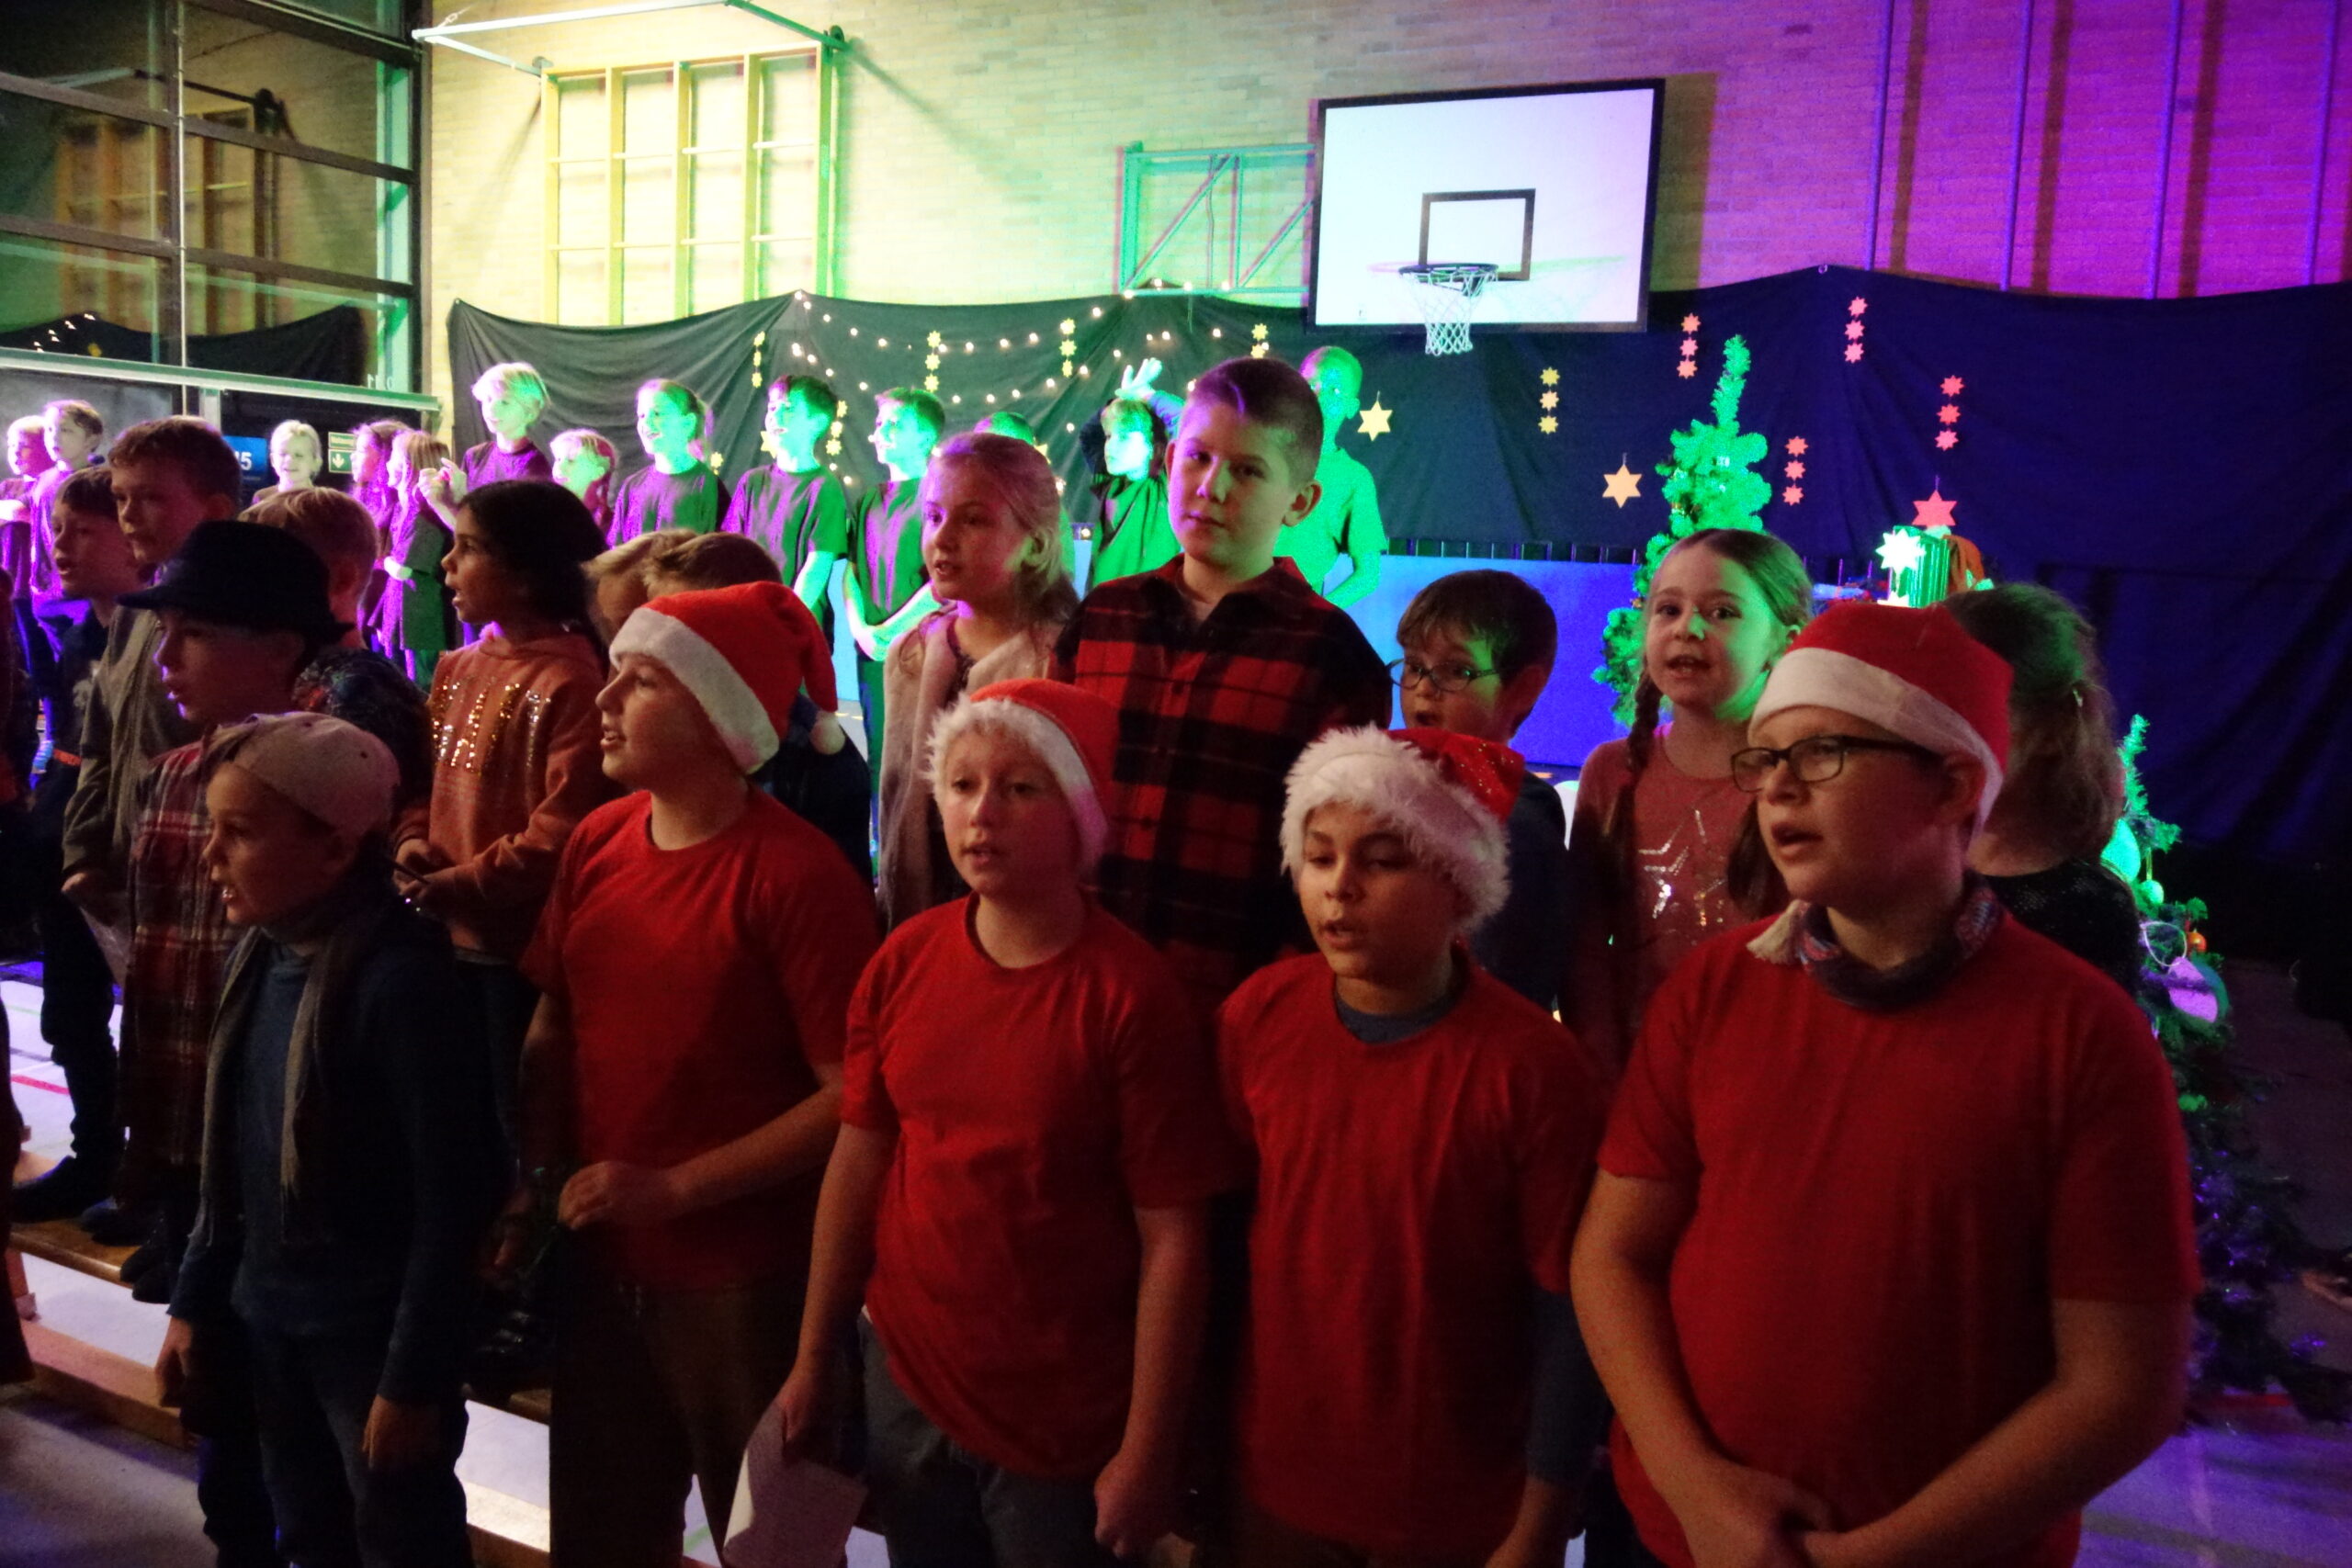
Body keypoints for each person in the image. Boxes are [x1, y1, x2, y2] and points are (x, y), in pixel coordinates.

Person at [1571, 601, 2199, 1568]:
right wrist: (1691, 1483)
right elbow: (1614, 1255)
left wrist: (1875, 1556)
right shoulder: (1718, 989)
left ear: (1952, 784)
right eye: (1767, 756)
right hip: (1687, 1537)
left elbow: (2122, 1386)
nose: (1778, 787)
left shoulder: (2079, 1036)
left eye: (1823, 751)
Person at [778, 679, 1230, 1564]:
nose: (982, 812)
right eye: (962, 784)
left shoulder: (1131, 998)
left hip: (1061, 1414)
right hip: (908, 1373)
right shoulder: (904, 961)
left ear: (1081, 816)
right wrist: (814, 1351)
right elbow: (860, 1160)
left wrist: (1148, 1444)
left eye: (1021, 788)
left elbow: (1175, 1236)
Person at [513, 581, 876, 1567]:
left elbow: (852, 1095)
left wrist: (676, 1188)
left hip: (743, 1282)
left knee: (769, 1546)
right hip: (606, 1260)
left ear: (719, 715)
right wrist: (532, 1170)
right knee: (603, 1532)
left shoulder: (796, 878)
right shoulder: (598, 841)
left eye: (641, 681)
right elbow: (558, 1012)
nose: (605, 699)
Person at [1221, 725, 1608, 1568]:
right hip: (1276, 1476)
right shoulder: (1258, 1016)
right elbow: (1224, 1234)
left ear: (1457, 880)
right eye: (1319, 857)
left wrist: (1544, 1510)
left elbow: (1568, 1307)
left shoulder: (1533, 1068)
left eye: (1383, 859)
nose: (1339, 886)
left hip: (1455, 1502)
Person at [161, 713, 497, 1568]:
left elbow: (453, 1202)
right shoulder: (258, 960)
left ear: (336, 848)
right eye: (213, 828)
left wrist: (414, 1376)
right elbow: (231, 1170)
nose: (211, 856)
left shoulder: (401, 986)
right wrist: (195, 1300)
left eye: (239, 833)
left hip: (366, 1338)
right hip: (270, 1315)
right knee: (310, 1533)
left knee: (400, 1538)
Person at [1053, 355, 1391, 1006]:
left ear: (1300, 501)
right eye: (1198, 458)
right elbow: (1053, 797)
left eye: (1248, 470)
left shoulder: (1332, 659)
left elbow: (1331, 864)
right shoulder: (1102, 620)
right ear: (1170, 459)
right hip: (1080, 982)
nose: (1211, 486)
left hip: (1235, 1000)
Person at [391, 479, 610, 1146]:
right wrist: (411, 842)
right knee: (449, 1122)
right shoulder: (457, 666)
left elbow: (563, 829)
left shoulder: (573, 680)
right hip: (440, 933)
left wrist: (463, 883)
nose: (446, 563)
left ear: (526, 572)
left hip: (515, 953)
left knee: (515, 1119)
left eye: (468, 548)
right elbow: (423, 782)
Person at [59, 417, 234, 1246]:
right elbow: (101, 739)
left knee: (212, 1054)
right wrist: (86, 844)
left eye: (150, 499)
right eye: (122, 498)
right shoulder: (139, 609)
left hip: (210, 867)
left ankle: (204, 1224)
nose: (130, 515)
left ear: (216, 507)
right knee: (153, 1041)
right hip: (138, 862)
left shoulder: (234, 611)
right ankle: (160, 1196)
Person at [1566, 528, 1812, 1066]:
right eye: (1668, 609)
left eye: (1722, 613)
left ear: (1786, 641)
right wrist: (1601, 1069)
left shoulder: (1803, 782)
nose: (1687, 629)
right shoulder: (1613, 772)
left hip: (1762, 1071)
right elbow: (1585, 946)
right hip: (1633, 1073)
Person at [8, 469, 143, 1224]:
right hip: (66, 838)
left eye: (84, 530)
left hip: (130, 849)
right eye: (57, 529)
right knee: (69, 1013)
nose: (61, 545)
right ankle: (96, 1154)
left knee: (151, 1021)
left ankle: (149, 1175)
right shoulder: (81, 636)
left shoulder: (157, 635)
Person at [878, 433, 1078, 928]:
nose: (942, 539)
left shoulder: (1063, 662)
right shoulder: (911, 656)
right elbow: (897, 800)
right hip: (921, 922)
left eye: (973, 520)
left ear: (1034, 544)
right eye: (933, 516)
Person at [595, 529, 873, 878]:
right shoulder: (657, 746)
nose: (656, 634)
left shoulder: (813, 761)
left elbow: (831, 888)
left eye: (686, 624)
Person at [1943, 584, 2143, 995]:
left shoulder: (2087, 913)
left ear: (2052, 728)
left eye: (1969, 710)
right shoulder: (1905, 862)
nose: (1935, 737)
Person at [1395, 569, 1569, 1010]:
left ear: (1522, 689)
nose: (1423, 690)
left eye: (1457, 671)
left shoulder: (1518, 822)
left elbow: (1510, 983)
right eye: (1414, 666)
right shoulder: (1386, 787)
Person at [246, 486, 435, 813]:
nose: (247, 589)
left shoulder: (359, 692)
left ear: (341, 581)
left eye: (270, 572)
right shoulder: (305, 672)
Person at [840, 387, 945, 781]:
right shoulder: (869, 499)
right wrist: (862, 630)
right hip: (872, 652)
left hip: (921, 648)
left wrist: (892, 629)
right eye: (880, 423)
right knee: (879, 756)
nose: (881, 432)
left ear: (926, 438)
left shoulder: (939, 497)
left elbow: (943, 579)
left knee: (918, 759)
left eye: (896, 424)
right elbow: (851, 571)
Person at [723, 374, 851, 626]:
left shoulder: (823, 487)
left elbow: (817, 567)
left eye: (789, 408)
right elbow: (731, 551)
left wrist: (783, 618)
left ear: (817, 422)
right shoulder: (752, 481)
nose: (776, 415)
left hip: (792, 622)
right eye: (772, 408)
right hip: (745, 613)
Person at [1272, 346, 1385, 609]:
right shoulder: (1257, 451)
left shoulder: (1354, 479)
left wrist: (1313, 616)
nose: (1319, 397)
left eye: (1335, 391)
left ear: (1351, 407)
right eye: (1310, 384)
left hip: (1287, 615)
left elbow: (1368, 575)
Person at [374, 429, 457, 688]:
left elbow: (404, 569)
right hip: (401, 614)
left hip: (420, 618)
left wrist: (385, 561)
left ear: (408, 465)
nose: (387, 464)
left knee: (419, 686)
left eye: (393, 458)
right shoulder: (402, 508)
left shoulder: (424, 515)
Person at [608, 379, 729, 542]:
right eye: (642, 415)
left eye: (657, 413)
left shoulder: (709, 487)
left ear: (687, 423)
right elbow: (617, 547)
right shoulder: (632, 487)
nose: (646, 422)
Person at [1080, 395, 1179, 592]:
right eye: (1109, 436)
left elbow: (1185, 423)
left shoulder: (1166, 489)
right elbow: (1088, 436)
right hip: (1102, 603)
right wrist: (1120, 399)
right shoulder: (1108, 484)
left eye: (1124, 437)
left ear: (1155, 449)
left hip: (1148, 606)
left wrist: (1147, 395)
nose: (1110, 446)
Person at [465, 361, 555, 490]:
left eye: (505, 402)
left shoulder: (535, 466)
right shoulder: (475, 456)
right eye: (488, 399)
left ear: (530, 412)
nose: (492, 408)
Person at [549, 427, 619, 539]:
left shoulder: (612, 524)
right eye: (558, 459)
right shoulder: (542, 511)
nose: (560, 467)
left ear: (598, 473)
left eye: (571, 460)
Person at [247, 421, 322, 508]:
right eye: (282, 454)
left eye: (299, 455)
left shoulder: (325, 502)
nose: (289, 460)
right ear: (272, 460)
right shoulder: (261, 498)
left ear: (315, 462)